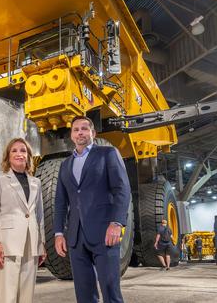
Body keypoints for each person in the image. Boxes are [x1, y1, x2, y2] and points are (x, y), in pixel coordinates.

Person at [54, 116, 131, 303]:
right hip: (76, 237)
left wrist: (116, 223)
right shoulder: (65, 165)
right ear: (71, 135)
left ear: (93, 133)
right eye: (76, 129)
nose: (80, 132)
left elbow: (122, 189)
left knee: (110, 289)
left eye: (84, 128)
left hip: (105, 233)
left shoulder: (108, 153)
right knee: (84, 293)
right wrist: (58, 233)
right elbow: (60, 202)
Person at [0, 138, 47, 303]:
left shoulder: (36, 182)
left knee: (27, 296)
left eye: (23, 150)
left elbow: (39, 215)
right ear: (7, 156)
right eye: (14, 151)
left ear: (28, 156)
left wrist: (41, 244)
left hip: (31, 242)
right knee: (7, 295)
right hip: (7, 244)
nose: (19, 154)